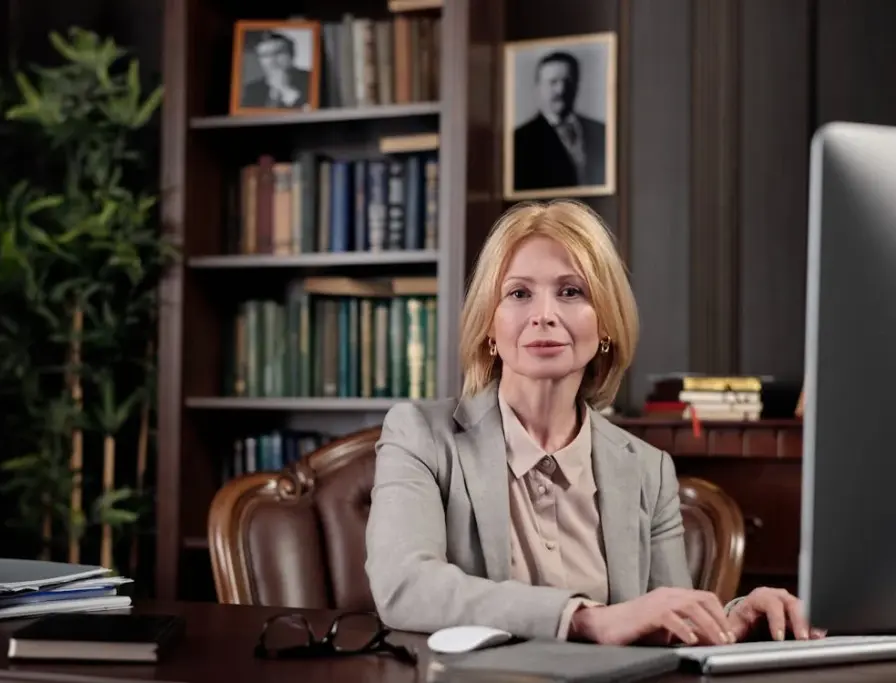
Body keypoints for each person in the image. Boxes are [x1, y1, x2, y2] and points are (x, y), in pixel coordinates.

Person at [365, 200, 825, 646]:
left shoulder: (648, 469)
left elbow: (667, 622)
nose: (544, 315)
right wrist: (584, 619)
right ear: (489, 324)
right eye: (519, 293)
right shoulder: (420, 436)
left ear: (605, 322)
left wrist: (734, 617)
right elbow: (405, 585)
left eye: (571, 291)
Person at [513, 52, 606, 191]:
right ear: (539, 87)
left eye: (567, 81)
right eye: (553, 82)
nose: (561, 90)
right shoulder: (520, 140)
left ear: (577, 85)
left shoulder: (601, 131)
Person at [242, 30, 311, 109]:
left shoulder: (311, 79)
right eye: (265, 55)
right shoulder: (251, 89)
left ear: (292, 54)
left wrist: (285, 89)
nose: (272, 60)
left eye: (278, 53)